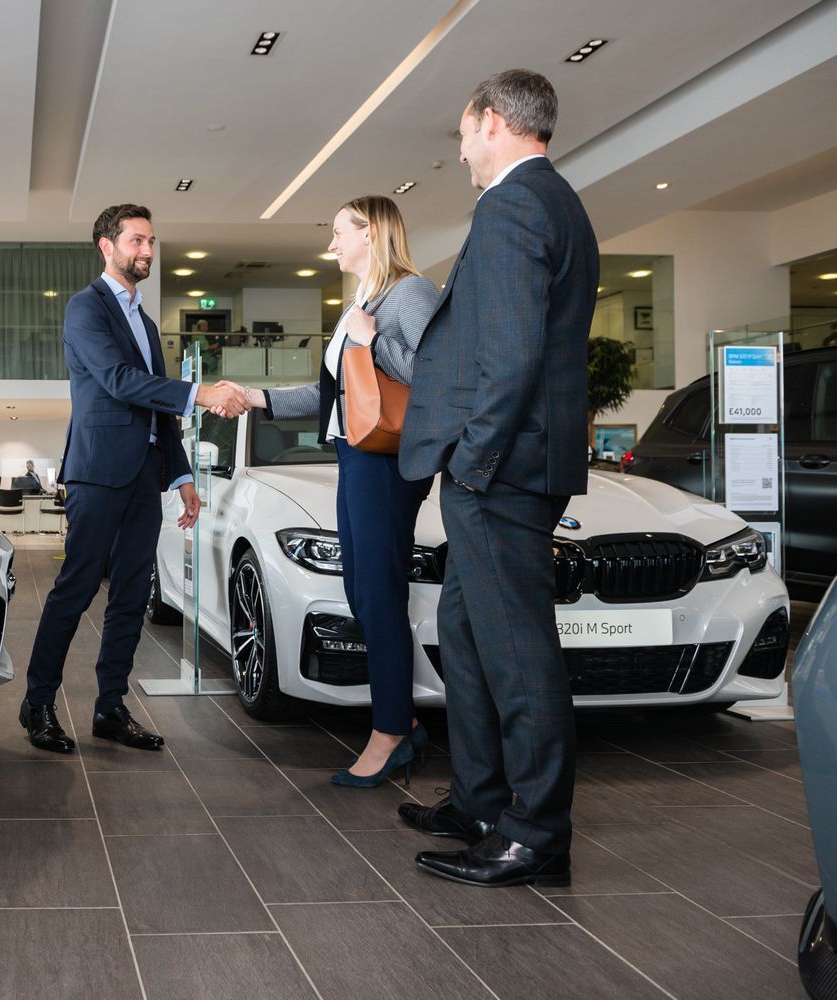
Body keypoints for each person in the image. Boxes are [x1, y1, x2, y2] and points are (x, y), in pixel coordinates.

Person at [396, 69, 598, 888]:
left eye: (463, 130)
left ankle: (536, 832)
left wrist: (472, 467)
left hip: (499, 470)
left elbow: (509, 358)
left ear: (490, 122)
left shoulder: (515, 203)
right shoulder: (552, 201)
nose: (461, 147)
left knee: (517, 652)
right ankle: (480, 802)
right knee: (471, 635)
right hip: (510, 464)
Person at [223, 195, 439, 787]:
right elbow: (335, 395)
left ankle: (390, 732)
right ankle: (404, 724)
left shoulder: (411, 294)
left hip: (390, 462)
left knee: (376, 593)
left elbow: (439, 376)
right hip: (355, 455)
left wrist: (371, 342)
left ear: (371, 233)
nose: (331, 244)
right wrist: (260, 399)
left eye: (339, 231)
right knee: (363, 592)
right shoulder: (362, 303)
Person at [20, 203, 249, 754]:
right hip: (98, 472)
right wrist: (202, 393)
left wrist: (183, 477)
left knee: (129, 597)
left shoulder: (145, 323)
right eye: (137, 241)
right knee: (74, 591)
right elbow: (121, 382)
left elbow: (156, 410)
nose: (147, 251)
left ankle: (110, 707)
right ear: (108, 245)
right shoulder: (85, 308)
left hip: (146, 475)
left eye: (151, 242)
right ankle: (38, 703)